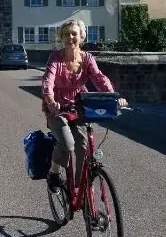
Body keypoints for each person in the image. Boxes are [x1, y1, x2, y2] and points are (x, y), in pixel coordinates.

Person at [42, 19, 128, 192]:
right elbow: (48, 81)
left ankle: (78, 187)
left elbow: (99, 78)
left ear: (81, 37)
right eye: (66, 34)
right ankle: (54, 172)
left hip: (80, 107)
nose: (70, 37)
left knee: (83, 147)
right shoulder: (56, 58)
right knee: (67, 144)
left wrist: (113, 97)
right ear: (62, 38)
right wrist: (51, 102)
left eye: (74, 34)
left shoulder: (87, 59)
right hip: (57, 109)